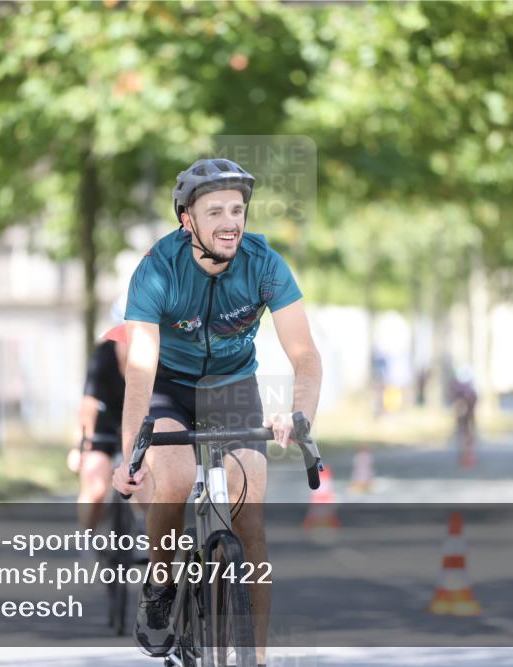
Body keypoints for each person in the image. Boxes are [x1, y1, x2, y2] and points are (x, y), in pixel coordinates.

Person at [110, 157, 323, 665]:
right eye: (216, 212)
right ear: (189, 221)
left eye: (237, 209)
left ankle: (259, 658)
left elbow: (305, 354)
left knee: (251, 519)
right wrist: (130, 459)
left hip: (232, 387)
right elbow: (140, 371)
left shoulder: (264, 263)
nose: (231, 222)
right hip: (171, 388)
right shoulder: (158, 269)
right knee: (177, 478)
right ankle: (160, 587)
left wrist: (299, 415)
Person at [68, 297, 127, 534]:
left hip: (141, 423)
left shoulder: (159, 355)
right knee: (96, 488)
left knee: (147, 490)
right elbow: (89, 406)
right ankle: (88, 539)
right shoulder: (103, 357)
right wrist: (80, 447)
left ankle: (147, 535)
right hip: (106, 424)